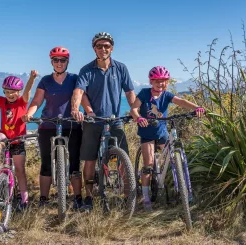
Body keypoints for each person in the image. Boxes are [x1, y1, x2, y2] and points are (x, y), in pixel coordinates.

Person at [71, 32, 136, 211]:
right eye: (99, 46)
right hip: (93, 121)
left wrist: (134, 110)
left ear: (112, 48)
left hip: (115, 120)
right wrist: (78, 109)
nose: (103, 49)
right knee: (90, 160)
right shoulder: (86, 69)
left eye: (106, 46)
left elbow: (130, 92)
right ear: (94, 49)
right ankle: (89, 197)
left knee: (124, 159)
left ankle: (127, 197)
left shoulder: (120, 68)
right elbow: (79, 91)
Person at [22, 46, 91, 210]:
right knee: (46, 163)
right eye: (56, 60)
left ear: (67, 61)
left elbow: (81, 97)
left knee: (74, 163)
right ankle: (43, 199)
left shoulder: (75, 78)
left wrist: (89, 112)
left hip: (71, 125)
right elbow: (37, 101)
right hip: (48, 125)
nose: (59, 63)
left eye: (62, 60)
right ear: (51, 61)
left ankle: (77, 198)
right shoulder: (45, 80)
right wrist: (30, 114)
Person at [130, 65, 205, 210]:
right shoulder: (145, 93)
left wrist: (197, 107)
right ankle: (146, 197)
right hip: (147, 134)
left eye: (164, 81)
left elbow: (181, 102)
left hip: (162, 132)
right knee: (149, 165)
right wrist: (138, 118)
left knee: (170, 160)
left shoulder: (167, 95)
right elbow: (134, 108)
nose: (161, 83)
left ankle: (174, 188)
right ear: (151, 81)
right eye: (157, 81)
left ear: (168, 82)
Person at [0, 68, 38, 209]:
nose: (10, 95)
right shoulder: (2, 102)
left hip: (19, 140)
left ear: (18, 92)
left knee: (20, 171)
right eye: (7, 92)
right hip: (5, 138)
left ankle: (24, 200)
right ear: (4, 93)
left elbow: (27, 92)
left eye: (13, 92)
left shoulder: (22, 102)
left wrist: (31, 79)